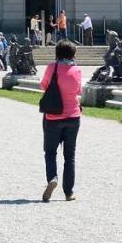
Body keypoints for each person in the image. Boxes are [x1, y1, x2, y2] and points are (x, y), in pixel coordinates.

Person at [40, 40, 82, 202]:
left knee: (50, 152)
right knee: (69, 156)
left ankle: (53, 178)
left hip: (53, 116)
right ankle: (69, 192)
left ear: (57, 53)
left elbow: (44, 86)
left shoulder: (53, 67)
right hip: (73, 116)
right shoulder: (77, 69)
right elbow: (78, 90)